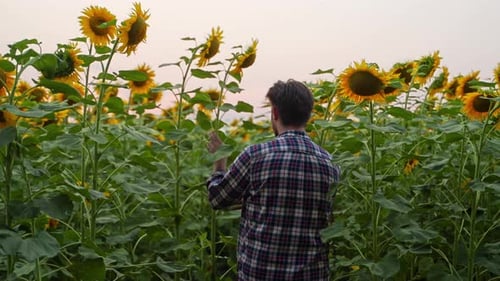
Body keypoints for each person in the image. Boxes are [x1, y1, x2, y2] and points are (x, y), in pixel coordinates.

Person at [206, 79, 341, 280]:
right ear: (308, 115)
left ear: (275, 113)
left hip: (260, 274)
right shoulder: (331, 164)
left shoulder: (255, 155)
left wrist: (219, 163)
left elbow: (218, 198)